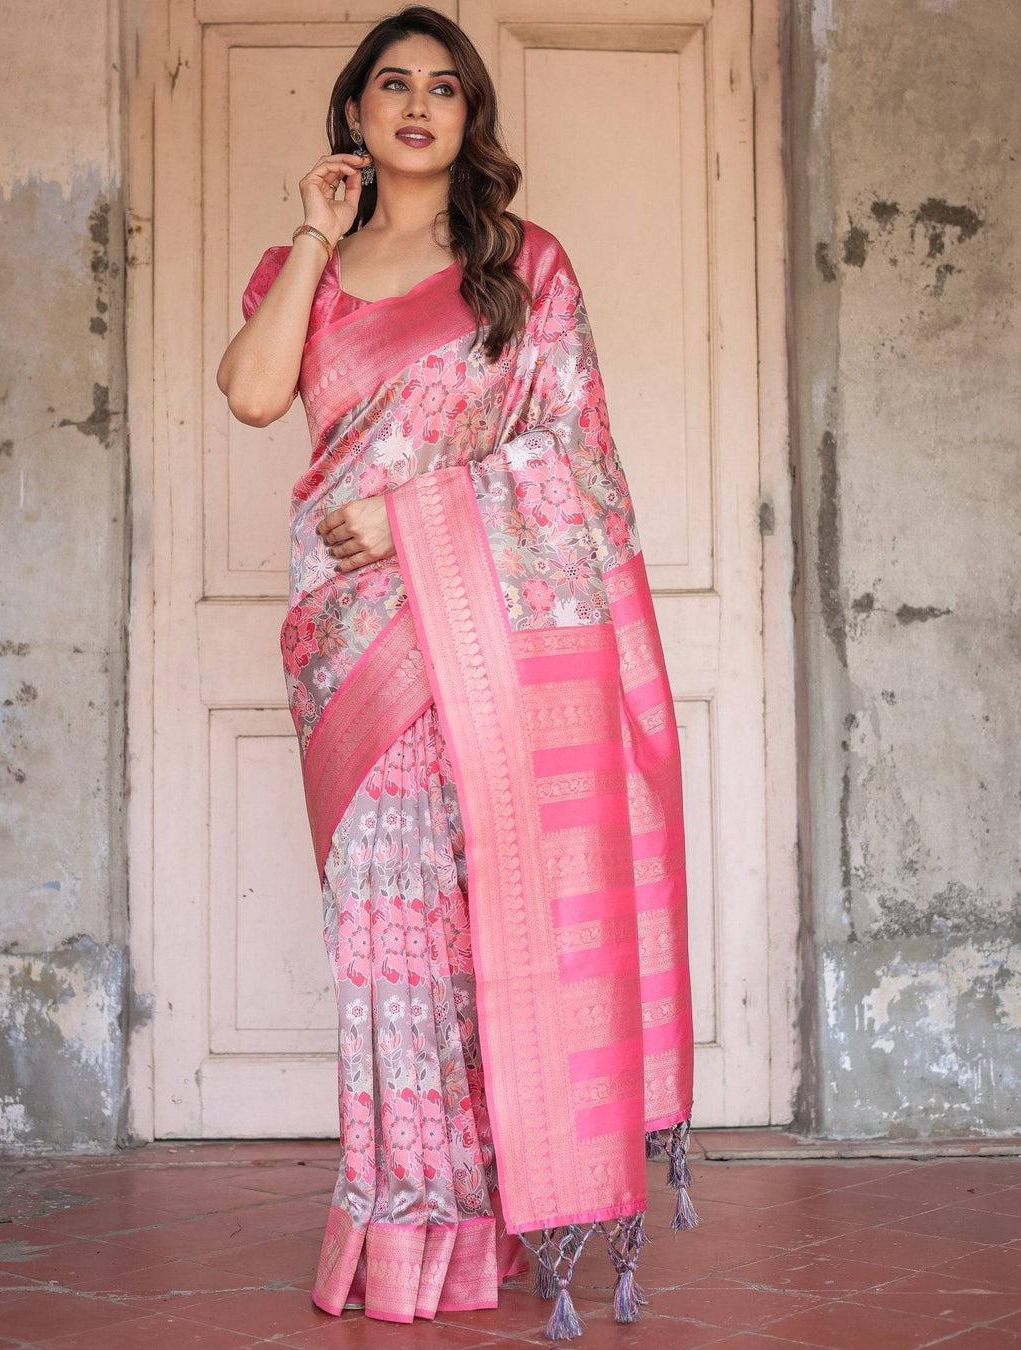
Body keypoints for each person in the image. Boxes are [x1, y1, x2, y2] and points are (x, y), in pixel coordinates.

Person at [216, 5, 696, 1339]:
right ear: (358, 114)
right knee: (386, 942)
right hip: (349, 647)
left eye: (444, 88)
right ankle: (401, 1216)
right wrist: (315, 232)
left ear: (472, 116)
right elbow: (255, 395)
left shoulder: (525, 269)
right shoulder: (298, 265)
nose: (418, 105)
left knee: (492, 939)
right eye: (392, 86)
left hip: (481, 632)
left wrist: (426, 511)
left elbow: (582, 468)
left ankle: (475, 1230)